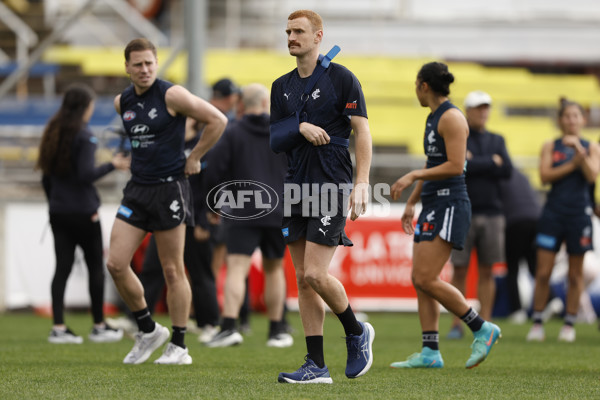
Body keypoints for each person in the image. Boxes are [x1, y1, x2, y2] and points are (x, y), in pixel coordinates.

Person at [106, 38, 227, 365]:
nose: (144, 70)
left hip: (170, 190)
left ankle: (180, 345)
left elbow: (218, 120)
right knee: (116, 263)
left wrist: (195, 157)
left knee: (173, 270)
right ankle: (147, 329)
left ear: (156, 64)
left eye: (149, 63)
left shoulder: (171, 94)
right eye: (138, 64)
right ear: (127, 67)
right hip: (137, 190)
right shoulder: (122, 102)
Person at [271, 10, 375, 384]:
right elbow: (275, 138)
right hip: (296, 183)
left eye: (299, 31)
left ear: (318, 36)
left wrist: (362, 182)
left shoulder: (341, 77)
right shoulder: (280, 85)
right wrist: (299, 125)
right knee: (302, 279)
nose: (291, 37)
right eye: (288, 31)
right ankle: (316, 366)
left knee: (316, 272)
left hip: (331, 182)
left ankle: (356, 331)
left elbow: (362, 131)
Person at [389, 62, 501, 369]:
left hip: (450, 203)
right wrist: (413, 201)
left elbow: (455, 165)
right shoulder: (433, 118)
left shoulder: (451, 117)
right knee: (420, 279)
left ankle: (481, 327)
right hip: (432, 203)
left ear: (424, 85)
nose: (415, 91)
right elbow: (434, 162)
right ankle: (430, 352)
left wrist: (412, 176)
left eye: (416, 85)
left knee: (426, 277)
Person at [36, 83, 130, 344]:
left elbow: (46, 177)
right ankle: (99, 325)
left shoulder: (53, 132)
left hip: (58, 212)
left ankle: (58, 327)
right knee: (94, 269)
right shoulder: (85, 135)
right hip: (84, 212)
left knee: (62, 268)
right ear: (84, 107)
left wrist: (55, 202)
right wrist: (113, 164)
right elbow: (85, 175)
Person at [204, 83, 292, 348]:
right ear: (267, 104)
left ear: (241, 104)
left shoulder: (232, 131)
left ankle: (229, 326)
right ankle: (277, 330)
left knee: (237, 268)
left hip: (242, 211)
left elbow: (214, 170)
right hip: (279, 210)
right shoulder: (285, 131)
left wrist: (213, 206)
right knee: (274, 269)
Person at [526, 98, 600, 343]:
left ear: (583, 119)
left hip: (580, 215)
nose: (571, 120)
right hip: (553, 214)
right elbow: (545, 176)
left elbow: (592, 176)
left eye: (575, 116)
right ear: (560, 120)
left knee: (575, 274)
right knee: (544, 271)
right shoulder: (550, 145)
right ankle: (537, 322)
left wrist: (579, 151)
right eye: (567, 116)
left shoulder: (591, 147)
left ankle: (569, 324)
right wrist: (572, 164)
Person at [447, 91, 512, 339]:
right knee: (460, 270)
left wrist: (476, 163)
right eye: (478, 108)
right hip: (464, 211)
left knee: (487, 271)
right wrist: (490, 163)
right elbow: (460, 167)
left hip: (493, 213)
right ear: (468, 111)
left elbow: (507, 170)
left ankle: (487, 323)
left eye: (486, 108)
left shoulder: (497, 139)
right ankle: (457, 323)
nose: (483, 112)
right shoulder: (460, 136)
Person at [498, 168, 542, 323]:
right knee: (534, 267)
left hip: (514, 222)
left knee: (512, 269)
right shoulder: (523, 175)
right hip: (536, 220)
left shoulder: (497, 174)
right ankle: (550, 300)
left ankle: (517, 311)